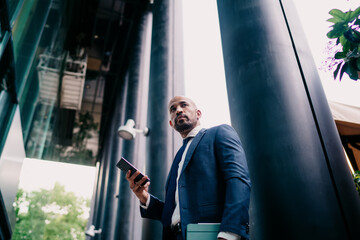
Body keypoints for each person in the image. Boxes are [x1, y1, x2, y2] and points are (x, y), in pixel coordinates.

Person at [126, 96, 251, 240]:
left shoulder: (219, 133)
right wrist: (144, 197)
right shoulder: (178, 157)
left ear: (198, 113)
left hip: (212, 235)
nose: (178, 110)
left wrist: (230, 233)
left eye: (183, 105)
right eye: (173, 109)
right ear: (171, 123)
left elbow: (238, 181)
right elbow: (175, 213)